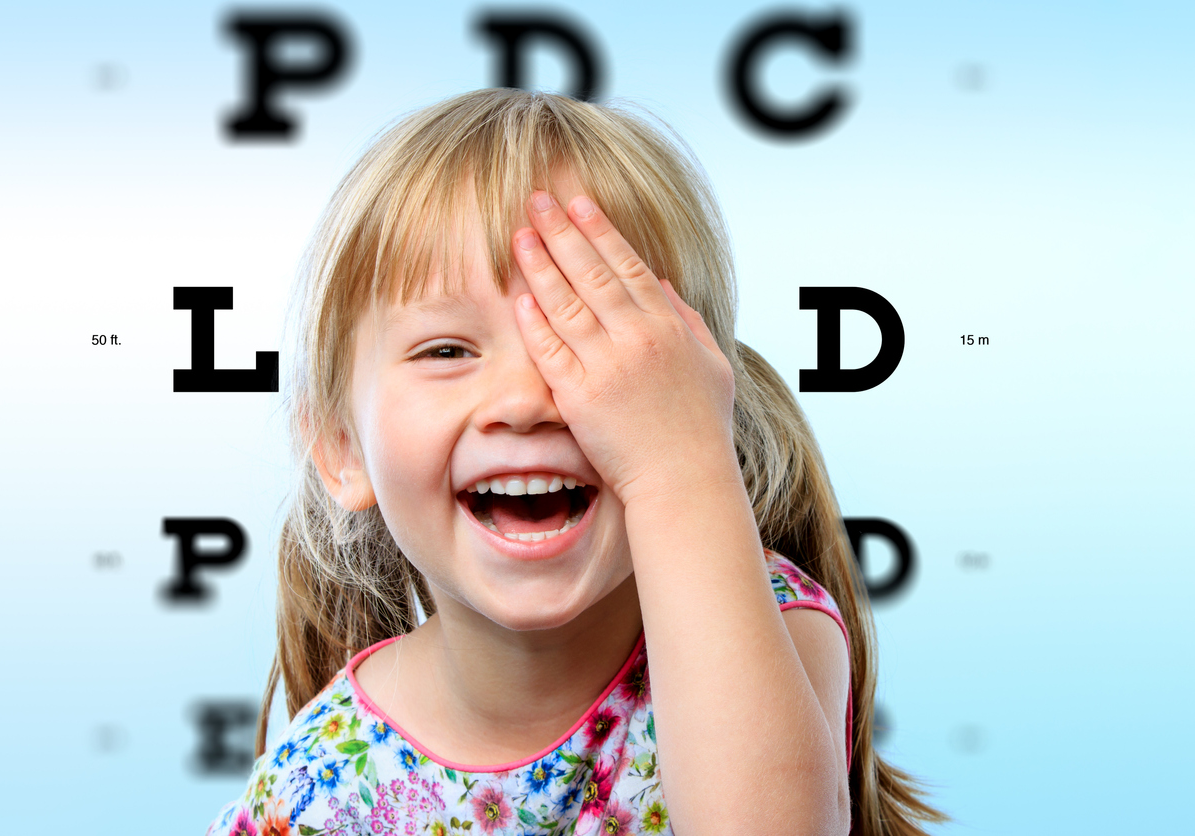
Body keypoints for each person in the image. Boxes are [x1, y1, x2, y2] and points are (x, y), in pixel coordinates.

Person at [205, 88, 948, 836]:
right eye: (447, 351)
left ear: (697, 402)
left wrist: (680, 466)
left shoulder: (770, 628)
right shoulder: (321, 784)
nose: (527, 399)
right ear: (340, 448)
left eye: (591, 338)